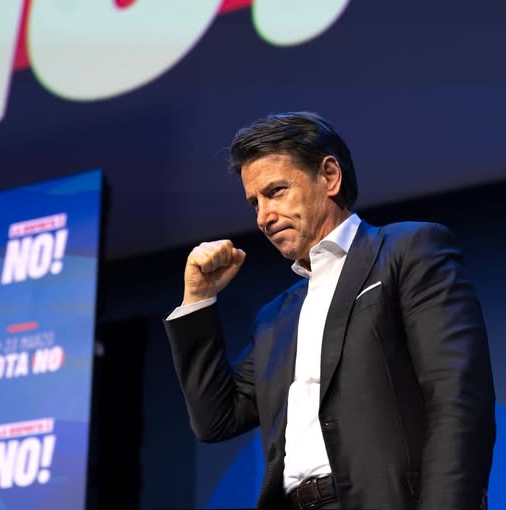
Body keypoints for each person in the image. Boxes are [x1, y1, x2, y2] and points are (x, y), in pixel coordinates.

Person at [163, 112, 495, 510]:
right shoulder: (275, 317)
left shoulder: (407, 250)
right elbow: (217, 420)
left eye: (276, 191)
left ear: (330, 176)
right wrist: (197, 299)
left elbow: (458, 398)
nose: (263, 217)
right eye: (255, 202)